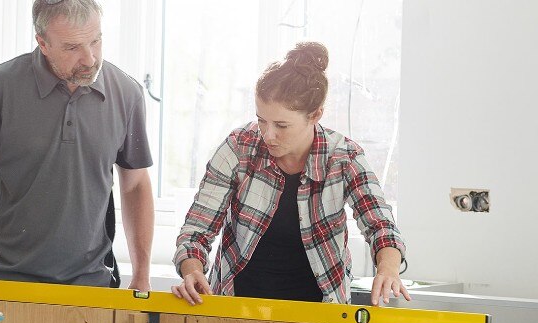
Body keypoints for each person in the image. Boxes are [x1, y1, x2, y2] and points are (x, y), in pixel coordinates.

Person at [0, 0, 155, 298]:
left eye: (96, 41)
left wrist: (142, 274)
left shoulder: (127, 93)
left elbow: (136, 185)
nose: (89, 58)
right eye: (72, 48)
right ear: (43, 43)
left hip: (93, 287)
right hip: (4, 284)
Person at [171, 42, 410, 306]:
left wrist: (387, 269)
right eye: (261, 120)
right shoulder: (239, 147)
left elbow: (381, 226)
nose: (267, 134)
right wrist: (192, 270)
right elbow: (197, 229)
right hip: (238, 306)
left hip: (319, 310)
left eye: (281, 125)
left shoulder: (344, 157)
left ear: (315, 115)